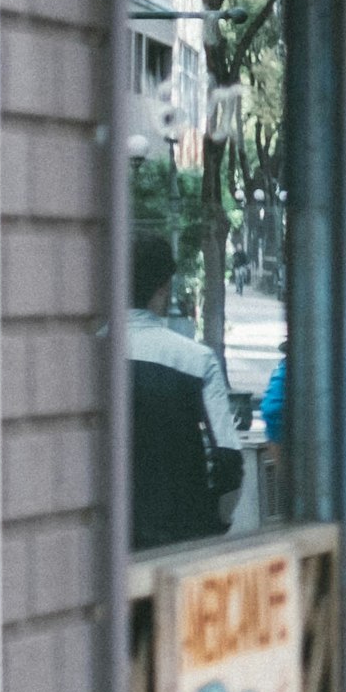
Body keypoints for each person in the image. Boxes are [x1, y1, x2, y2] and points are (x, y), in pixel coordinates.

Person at [129, 229, 245, 550]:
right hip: (179, 538)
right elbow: (229, 463)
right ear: (165, 287)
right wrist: (214, 524)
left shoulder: (86, 353)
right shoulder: (198, 361)